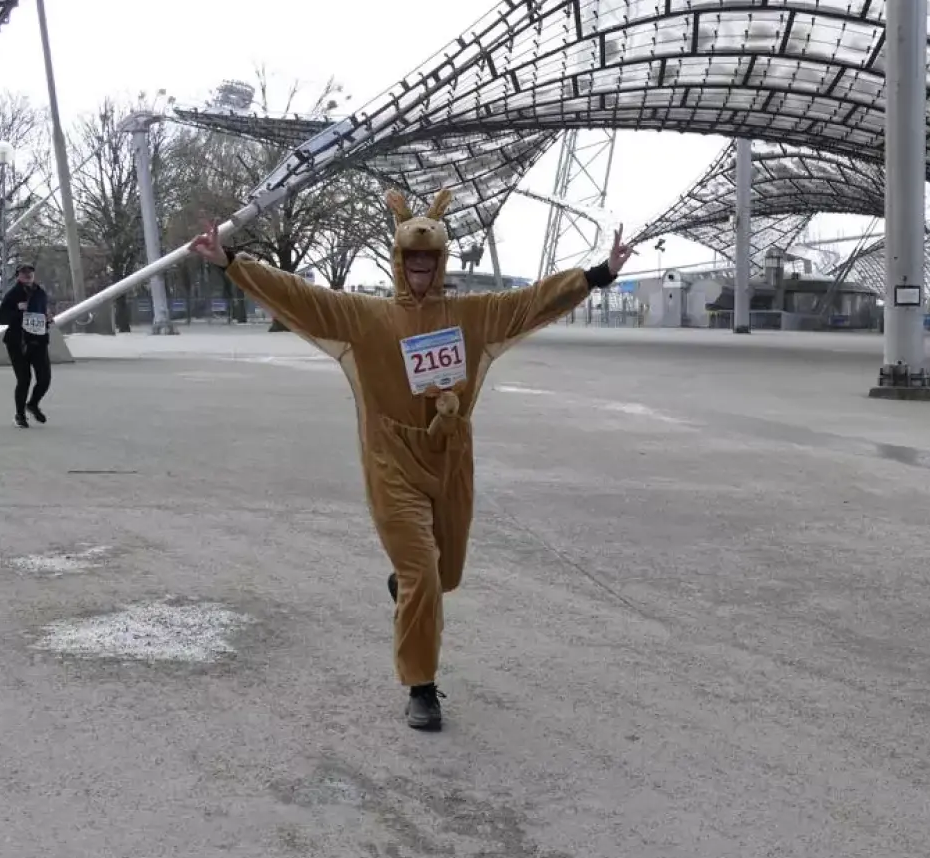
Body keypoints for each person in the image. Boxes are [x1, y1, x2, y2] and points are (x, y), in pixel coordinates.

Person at [188, 190, 635, 731]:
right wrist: (232, 264)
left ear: (441, 263)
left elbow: (531, 301)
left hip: (449, 458)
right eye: (411, 260)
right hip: (391, 460)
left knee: (443, 575)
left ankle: (406, 586)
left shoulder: (472, 315)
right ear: (398, 261)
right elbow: (299, 297)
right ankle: (421, 687)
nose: (420, 268)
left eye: (429, 260)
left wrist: (598, 274)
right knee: (423, 570)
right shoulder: (363, 315)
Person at [0, 264, 52, 428]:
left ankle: (32, 404)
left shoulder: (40, 293)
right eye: (24, 273)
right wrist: (17, 311)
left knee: (45, 379)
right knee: (24, 379)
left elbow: (41, 313)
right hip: (17, 342)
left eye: (30, 273)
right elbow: (0, 319)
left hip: (38, 341)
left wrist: (47, 318)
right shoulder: (13, 294)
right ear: (18, 276)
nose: (27, 275)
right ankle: (20, 415)